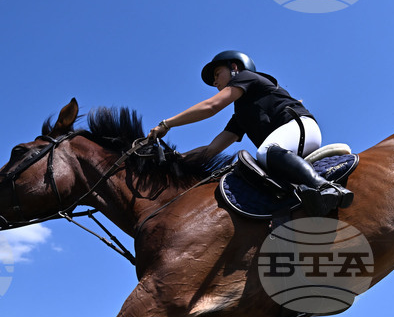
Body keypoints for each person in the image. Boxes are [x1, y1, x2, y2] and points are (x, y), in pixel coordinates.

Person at [146, 50, 353, 216]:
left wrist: (167, 124)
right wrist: (176, 159)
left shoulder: (248, 77)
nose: (215, 83)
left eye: (217, 75)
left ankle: (326, 188)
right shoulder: (241, 114)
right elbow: (211, 150)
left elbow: (211, 107)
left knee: (265, 151)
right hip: (288, 144)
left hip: (300, 128)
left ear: (235, 68)